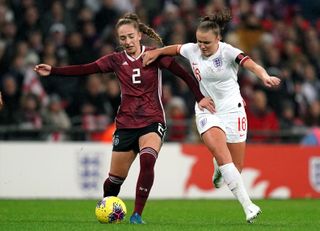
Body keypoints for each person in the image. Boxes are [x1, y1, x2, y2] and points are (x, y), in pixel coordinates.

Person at [34, 13, 214, 224]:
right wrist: (53, 70)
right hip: (126, 124)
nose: (127, 41)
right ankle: (107, 206)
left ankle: (137, 215)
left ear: (139, 35)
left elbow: (184, 74)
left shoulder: (154, 55)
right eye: (122, 38)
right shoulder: (115, 60)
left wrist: (200, 97)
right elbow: (85, 69)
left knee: (148, 161)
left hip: (152, 120)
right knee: (114, 180)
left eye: (130, 36)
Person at [142, 9, 281, 223]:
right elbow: (176, 49)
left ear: (218, 38)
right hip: (208, 110)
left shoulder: (228, 52)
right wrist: (157, 52)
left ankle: (218, 167)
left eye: (206, 42)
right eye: (199, 41)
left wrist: (265, 76)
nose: (202, 46)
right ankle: (248, 206)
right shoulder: (193, 50)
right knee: (220, 151)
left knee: (235, 168)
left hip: (233, 110)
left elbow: (251, 64)